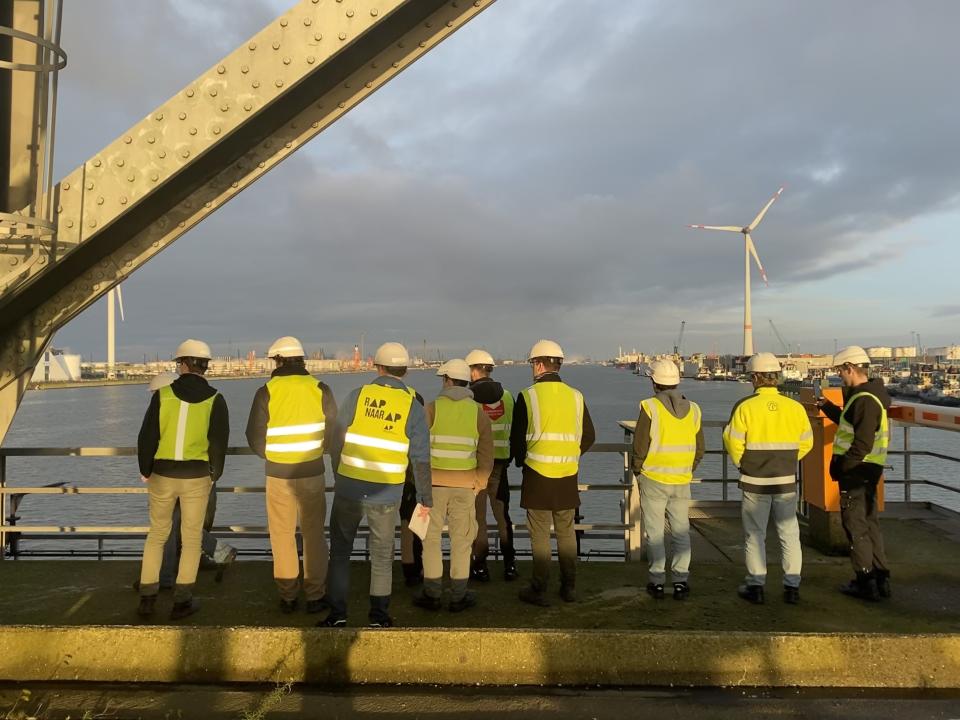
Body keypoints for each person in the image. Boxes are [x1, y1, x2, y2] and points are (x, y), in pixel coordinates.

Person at [322, 342, 432, 628]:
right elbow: (420, 459)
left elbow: (337, 438)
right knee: (382, 555)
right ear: (405, 371)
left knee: (341, 552)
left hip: (348, 488)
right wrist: (424, 498)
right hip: (386, 493)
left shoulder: (358, 396)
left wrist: (339, 474)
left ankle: (337, 615)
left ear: (378, 367)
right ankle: (379, 618)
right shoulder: (413, 405)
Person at [136, 340, 229, 620]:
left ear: (183, 364)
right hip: (197, 477)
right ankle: (182, 601)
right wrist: (215, 474)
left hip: (162, 475)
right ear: (206, 366)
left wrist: (146, 468)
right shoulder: (216, 399)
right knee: (190, 541)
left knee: (157, 536)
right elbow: (219, 444)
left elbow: (147, 436)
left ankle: (148, 598)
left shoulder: (162, 395)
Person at [246, 336, 337, 615]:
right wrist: (317, 450)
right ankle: (315, 596)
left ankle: (287, 596)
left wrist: (272, 456)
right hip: (312, 471)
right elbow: (333, 429)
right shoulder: (319, 388)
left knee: (282, 535)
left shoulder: (267, 391)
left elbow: (253, 434)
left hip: (278, 475)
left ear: (278, 360)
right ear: (301, 359)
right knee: (313, 535)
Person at [723, 352, 813, 605]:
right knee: (789, 533)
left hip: (755, 480)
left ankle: (756, 585)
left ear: (755, 377)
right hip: (785, 478)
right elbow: (807, 442)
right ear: (776, 376)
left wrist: (745, 464)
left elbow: (732, 440)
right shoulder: (794, 408)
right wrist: (788, 461)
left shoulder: (745, 406)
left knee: (754, 534)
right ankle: (792, 587)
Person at [511, 339, 595, 606]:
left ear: (538, 364)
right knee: (566, 532)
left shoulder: (528, 396)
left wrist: (523, 460)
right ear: (557, 365)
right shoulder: (577, 396)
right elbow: (589, 436)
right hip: (567, 475)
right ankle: (568, 587)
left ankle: (539, 588)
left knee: (540, 535)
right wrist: (570, 454)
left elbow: (517, 440)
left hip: (537, 475)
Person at [413, 359, 494, 612]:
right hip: (465, 487)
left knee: (431, 540)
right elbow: (486, 454)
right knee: (462, 541)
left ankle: (432, 593)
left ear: (447, 380)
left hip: (433, 487)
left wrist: (420, 484)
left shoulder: (431, 409)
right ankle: (459, 595)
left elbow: (418, 450)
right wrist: (478, 484)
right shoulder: (478, 413)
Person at [816, 345, 891, 601]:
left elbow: (861, 443)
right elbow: (852, 424)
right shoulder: (869, 397)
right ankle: (880, 579)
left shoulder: (864, 400)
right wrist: (827, 407)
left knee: (856, 527)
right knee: (870, 524)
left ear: (849, 368)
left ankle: (865, 580)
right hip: (870, 470)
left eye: (840, 371)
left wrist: (843, 467)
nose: (840, 376)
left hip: (857, 473)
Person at [632, 359, 704, 601]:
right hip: (681, 479)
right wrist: (688, 468)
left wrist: (638, 469)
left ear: (654, 382)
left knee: (654, 533)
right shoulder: (693, 409)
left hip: (653, 478)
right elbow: (700, 448)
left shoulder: (650, 407)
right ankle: (681, 581)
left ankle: (657, 582)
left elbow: (640, 445)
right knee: (681, 531)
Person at [465, 348, 518, 582]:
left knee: (479, 518)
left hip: (477, 466)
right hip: (500, 464)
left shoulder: (469, 399)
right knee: (502, 516)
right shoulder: (507, 396)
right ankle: (510, 565)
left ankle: (480, 567)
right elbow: (516, 430)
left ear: (474, 371)